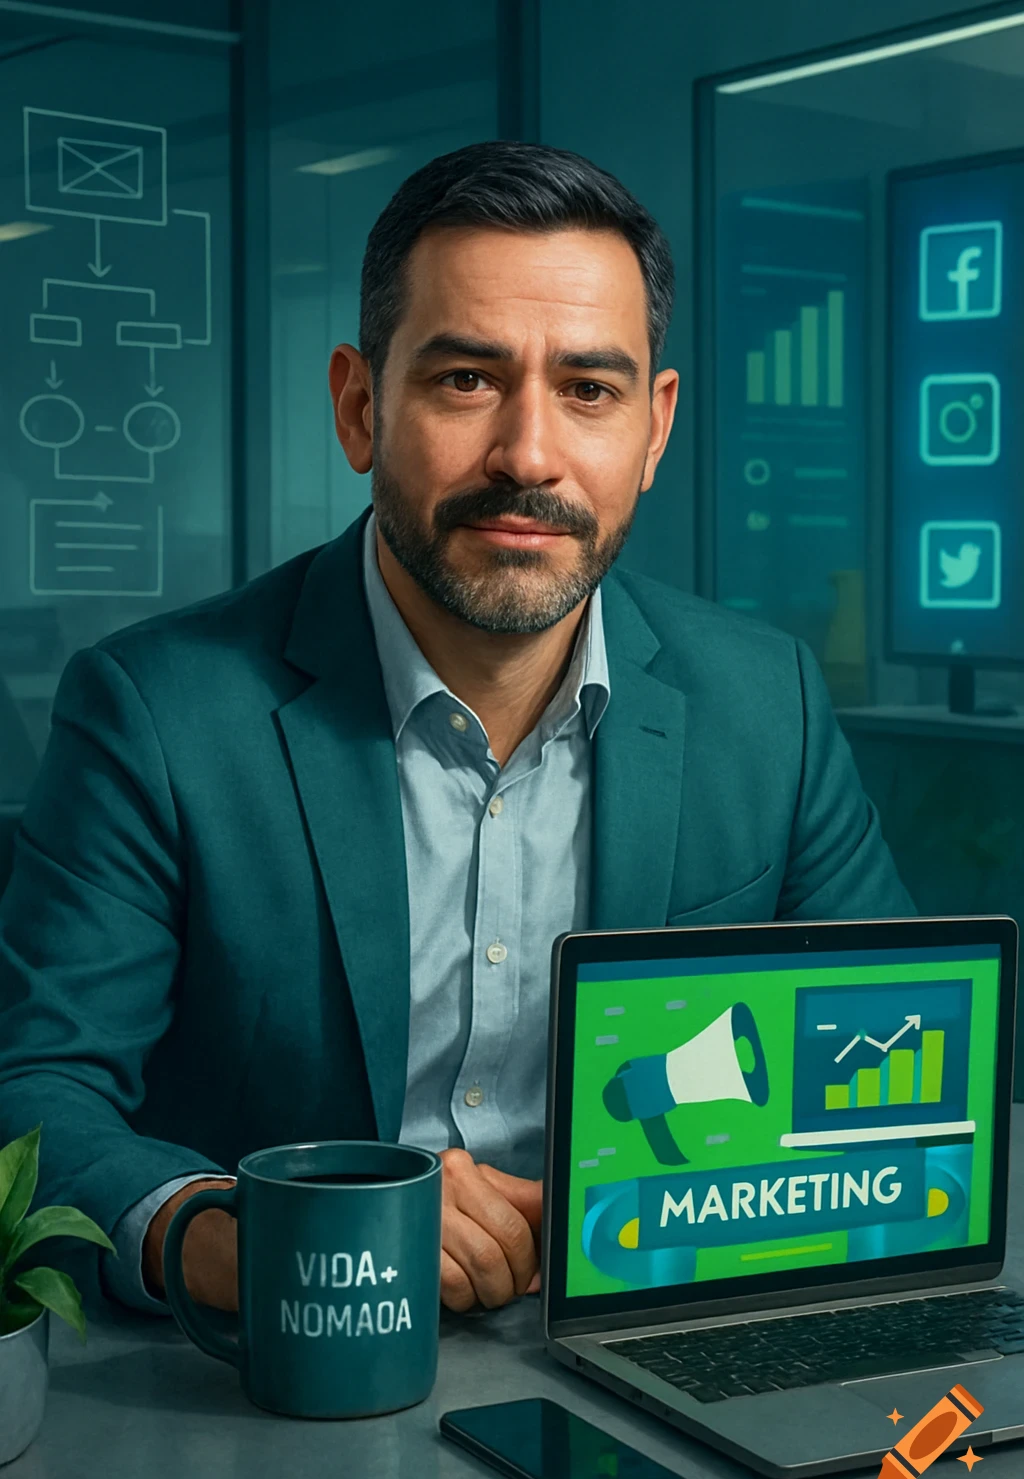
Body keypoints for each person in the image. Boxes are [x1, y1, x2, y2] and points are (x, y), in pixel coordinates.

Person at [0, 141, 915, 1323]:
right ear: (358, 406)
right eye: (466, 380)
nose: (529, 455)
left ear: (653, 427)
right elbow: (35, 1094)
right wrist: (252, 1236)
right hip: (285, 1375)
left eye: (589, 389)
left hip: (660, 1327)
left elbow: (882, 1059)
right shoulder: (156, 709)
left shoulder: (766, 702)